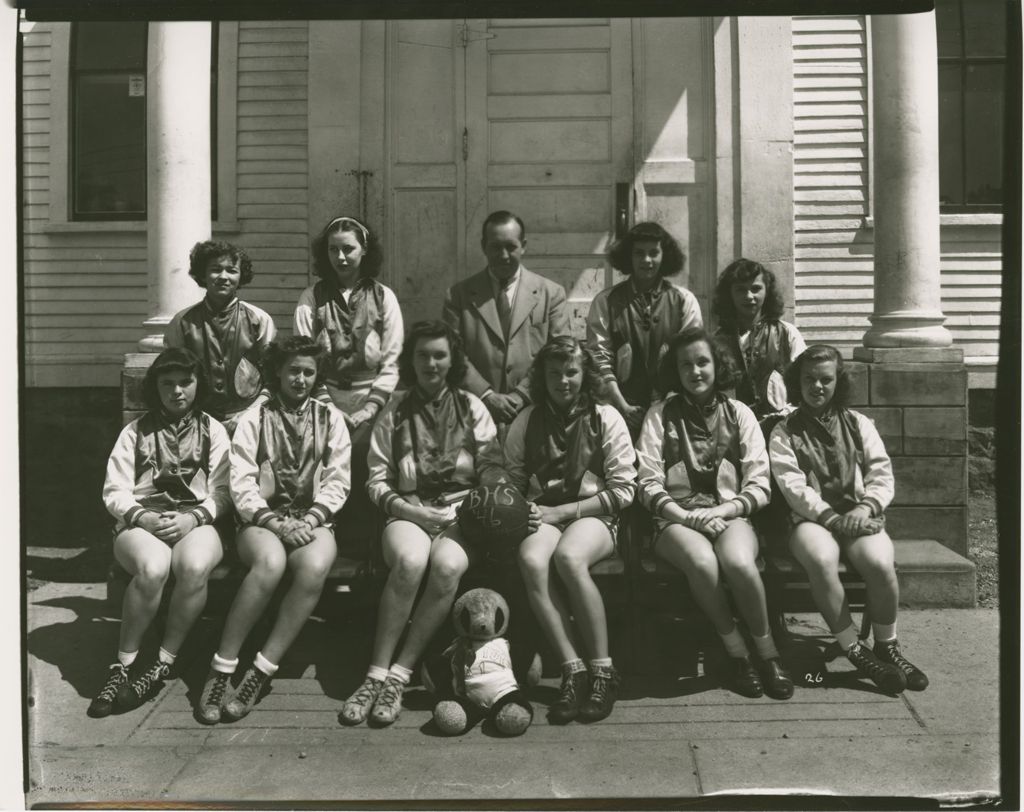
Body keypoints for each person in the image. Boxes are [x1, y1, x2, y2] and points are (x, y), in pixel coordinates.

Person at [339, 320, 507, 727]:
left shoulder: (472, 407)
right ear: (410, 361)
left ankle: (400, 674)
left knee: (447, 566)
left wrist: (479, 499)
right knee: (412, 561)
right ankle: (374, 674)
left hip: (460, 513)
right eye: (422, 355)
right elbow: (376, 480)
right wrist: (412, 511)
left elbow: (491, 467)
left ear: (452, 360)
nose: (431, 363)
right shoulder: (394, 411)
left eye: (439, 355)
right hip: (407, 511)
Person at [194, 336, 351, 724]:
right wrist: (276, 522)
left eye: (308, 372)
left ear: (317, 378)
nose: (300, 379)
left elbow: (337, 480)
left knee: (314, 566)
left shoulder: (330, 419)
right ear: (278, 371)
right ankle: (222, 668)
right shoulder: (254, 418)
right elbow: (242, 484)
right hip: (261, 520)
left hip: (313, 518)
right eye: (293, 370)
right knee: (269, 561)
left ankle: (261, 671)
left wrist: (311, 519)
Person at [636, 327, 793, 700]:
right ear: (676, 371)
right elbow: (647, 481)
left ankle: (768, 652)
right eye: (685, 364)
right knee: (702, 563)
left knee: (739, 562)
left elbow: (759, 483)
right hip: (675, 518)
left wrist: (722, 510)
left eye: (703, 362)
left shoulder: (739, 413)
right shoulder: (659, 415)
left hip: (730, 514)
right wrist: (686, 516)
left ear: (717, 364)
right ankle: (737, 651)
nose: (695, 371)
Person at [768, 344, 928, 694]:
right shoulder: (784, 431)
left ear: (838, 383)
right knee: (822, 559)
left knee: (879, 562)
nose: (817, 387)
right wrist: (830, 518)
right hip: (809, 520)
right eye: (809, 379)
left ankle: (887, 646)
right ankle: (854, 648)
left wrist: (864, 508)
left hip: (857, 514)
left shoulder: (858, 423)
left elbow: (881, 474)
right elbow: (792, 486)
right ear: (798, 382)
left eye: (826, 380)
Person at [91, 348, 230, 718]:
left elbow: (222, 491)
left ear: (198, 384)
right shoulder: (135, 431)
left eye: (186, 382)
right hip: (143, 521)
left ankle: (163, 661)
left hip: (195, 520)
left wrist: (194, 518)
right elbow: (114, 491)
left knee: (195, 565)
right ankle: (123, 665)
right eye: (167, 384)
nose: (177, 391)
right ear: (155, 388)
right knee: (153, 568)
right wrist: (141, 517)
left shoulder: (213, 430)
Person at [505, 337, 637, 724]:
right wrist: (521, 507)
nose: (563, 381)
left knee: (569, 558)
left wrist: (561, 511)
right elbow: (510, 477)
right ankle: (572, 668)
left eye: (572, 372)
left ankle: (603, 671)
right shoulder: (526, 419)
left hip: (595, 515)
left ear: (586, 375)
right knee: (531, 559)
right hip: (544, 514)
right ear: (541, 377)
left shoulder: (605, 417)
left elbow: (625, 489)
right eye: (554, 373)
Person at [294, 215, 403, 526]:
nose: (340, 257)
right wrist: (329, 406)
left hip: (375, 401)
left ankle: (369, 542)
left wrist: (370, 408)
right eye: (332, 250)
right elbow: (304, 358)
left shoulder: (383, 297)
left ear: (364, 250)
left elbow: (392, 359)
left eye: (348, 249)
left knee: (371, 462)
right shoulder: (311, 298)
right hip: (324, 400)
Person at [443, 210, 570, 430]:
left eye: (511, 247)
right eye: (495, 247)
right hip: (475, 414)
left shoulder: (551, 294)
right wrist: (486, 395)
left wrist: (522, 395)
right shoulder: (458, 296)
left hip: (536, 414)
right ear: (484, 246)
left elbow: (559, 354)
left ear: (524, 246)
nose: (503, 255)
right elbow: (452, 353)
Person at [587, 221, 702, 435]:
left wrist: (665, 406)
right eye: (639, 253)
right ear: (628, 257)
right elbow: (598, 359)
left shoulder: (684, 300)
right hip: (618, 411)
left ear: (664, 255)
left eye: (653, 253)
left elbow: (690, 358)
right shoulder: (606, 301)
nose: (646, 260)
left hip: (673, 411)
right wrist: (622, 407)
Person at [164, 241, 276, 435]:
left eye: (231, 271)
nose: (223, 277)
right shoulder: (182, 322)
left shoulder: (259, 319)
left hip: (249, 420)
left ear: (241, 276)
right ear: (203, 275)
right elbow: (171, 376)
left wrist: (248, 414)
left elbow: (273, 378)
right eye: (216, 270)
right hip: (196, 421)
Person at [712, 259, 806, 420]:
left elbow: (805, 382)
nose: (749, 296)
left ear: (767, 291)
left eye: (756, 289)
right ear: (730, 294)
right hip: (734, 427)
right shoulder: (716, 341)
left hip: (780, 427)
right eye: (740, 290)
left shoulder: (787, 333)